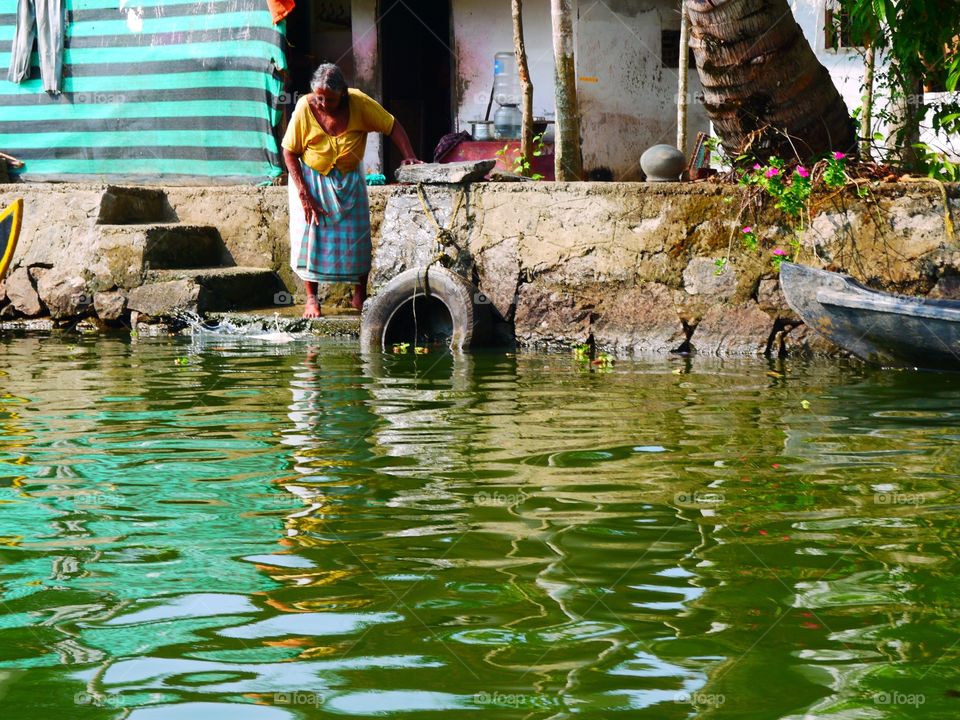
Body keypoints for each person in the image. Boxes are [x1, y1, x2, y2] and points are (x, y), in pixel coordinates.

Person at [282, 63, 421, 318]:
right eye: (319, 97)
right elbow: (289, 151)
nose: (323, 104)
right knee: (312, 236)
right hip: (311, 179)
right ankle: (312, 299)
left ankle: (360, 295)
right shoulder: (304, 106)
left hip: (349, 178)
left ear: (343, 94)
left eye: (330, 100)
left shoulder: (359, 103)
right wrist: (304, 193)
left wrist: (409, 156)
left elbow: (392, 126)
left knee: (357, 236)